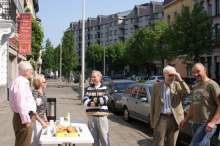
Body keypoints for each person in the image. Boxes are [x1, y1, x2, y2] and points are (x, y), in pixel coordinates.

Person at [179, 63, 220, 146]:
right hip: (196, 123)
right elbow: (193, 106)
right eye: (193, 72)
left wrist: (212, 122)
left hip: (207, 124)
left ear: (205, 70)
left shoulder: (212, 85)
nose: (195, 74)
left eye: (198, 71)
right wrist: (185, 119)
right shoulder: (196, 86)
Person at [150, 65, 190, 146]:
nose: (172, 77)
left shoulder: (177, 85)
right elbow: (152, 104)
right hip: (161, 118)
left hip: (174, 119)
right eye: (170, 75)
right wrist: (152, 119)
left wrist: (180, 79)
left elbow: (187, 92)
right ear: (164, 75)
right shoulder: (156, 86)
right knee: (158, 142)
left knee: (172, 143)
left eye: (173, 75)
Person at [9, 61, 36, 146]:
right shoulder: (20, 83)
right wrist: (26, 120)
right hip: (24, 119)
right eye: (32, 70)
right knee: (23, 143)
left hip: (24, 117)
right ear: (26, 71)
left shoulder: (21, 82)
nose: (32, 72)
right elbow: (20, 103)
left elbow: (23, 100)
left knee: (24, 142)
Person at [83, 70, 110, 146]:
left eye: (94, 77)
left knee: (105, 138)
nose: (93, 78)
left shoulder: (105, 88)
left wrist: (92, 99)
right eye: (92, 77)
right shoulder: (88, 89)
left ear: (100, 77)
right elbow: (85, 101)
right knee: (93, 139)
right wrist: (98, 100)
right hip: (91, 116)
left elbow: (104, 101)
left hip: (102, 116)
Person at [31, 74, 49, 146]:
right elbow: (34, 111)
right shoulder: (35, 93)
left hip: (41, 121)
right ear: (40, 83)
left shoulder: (43, 93)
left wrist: (46, 120)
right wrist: (42, 122)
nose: (46, 83)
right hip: (35, 121)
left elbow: (43, 108)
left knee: (40, 141)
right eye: (45, 82)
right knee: (34, 142)